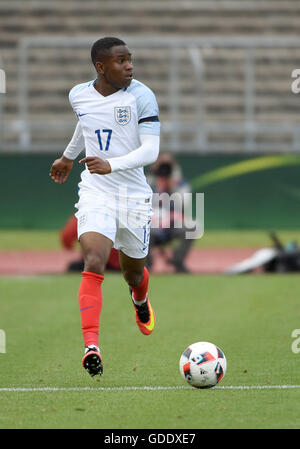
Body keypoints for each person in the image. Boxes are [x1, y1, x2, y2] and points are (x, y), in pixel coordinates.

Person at [50, 37, 160, 377]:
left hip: (133, 196)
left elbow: (151, 151)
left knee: (133, 272)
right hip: (95, 190)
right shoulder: (78, 94)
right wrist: (69, 157)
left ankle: (140, 300)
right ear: (101, 67)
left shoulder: (141, 96)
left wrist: (113, 164)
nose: (129, 66)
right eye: (121, 61)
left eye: (130, 60)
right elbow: (86, 124)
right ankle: (91, 346)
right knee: (94, 259)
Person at [147, 153, 195, 273]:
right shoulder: (149, 183)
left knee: (191, 228)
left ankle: (177, 261)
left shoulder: (181, 184)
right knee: (144, 230)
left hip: (172, 225)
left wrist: (171, 187)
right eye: (161, 165)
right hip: (153, 224)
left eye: (167, 166)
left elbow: (184, 203)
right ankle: (147, 264)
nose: (164, 169)